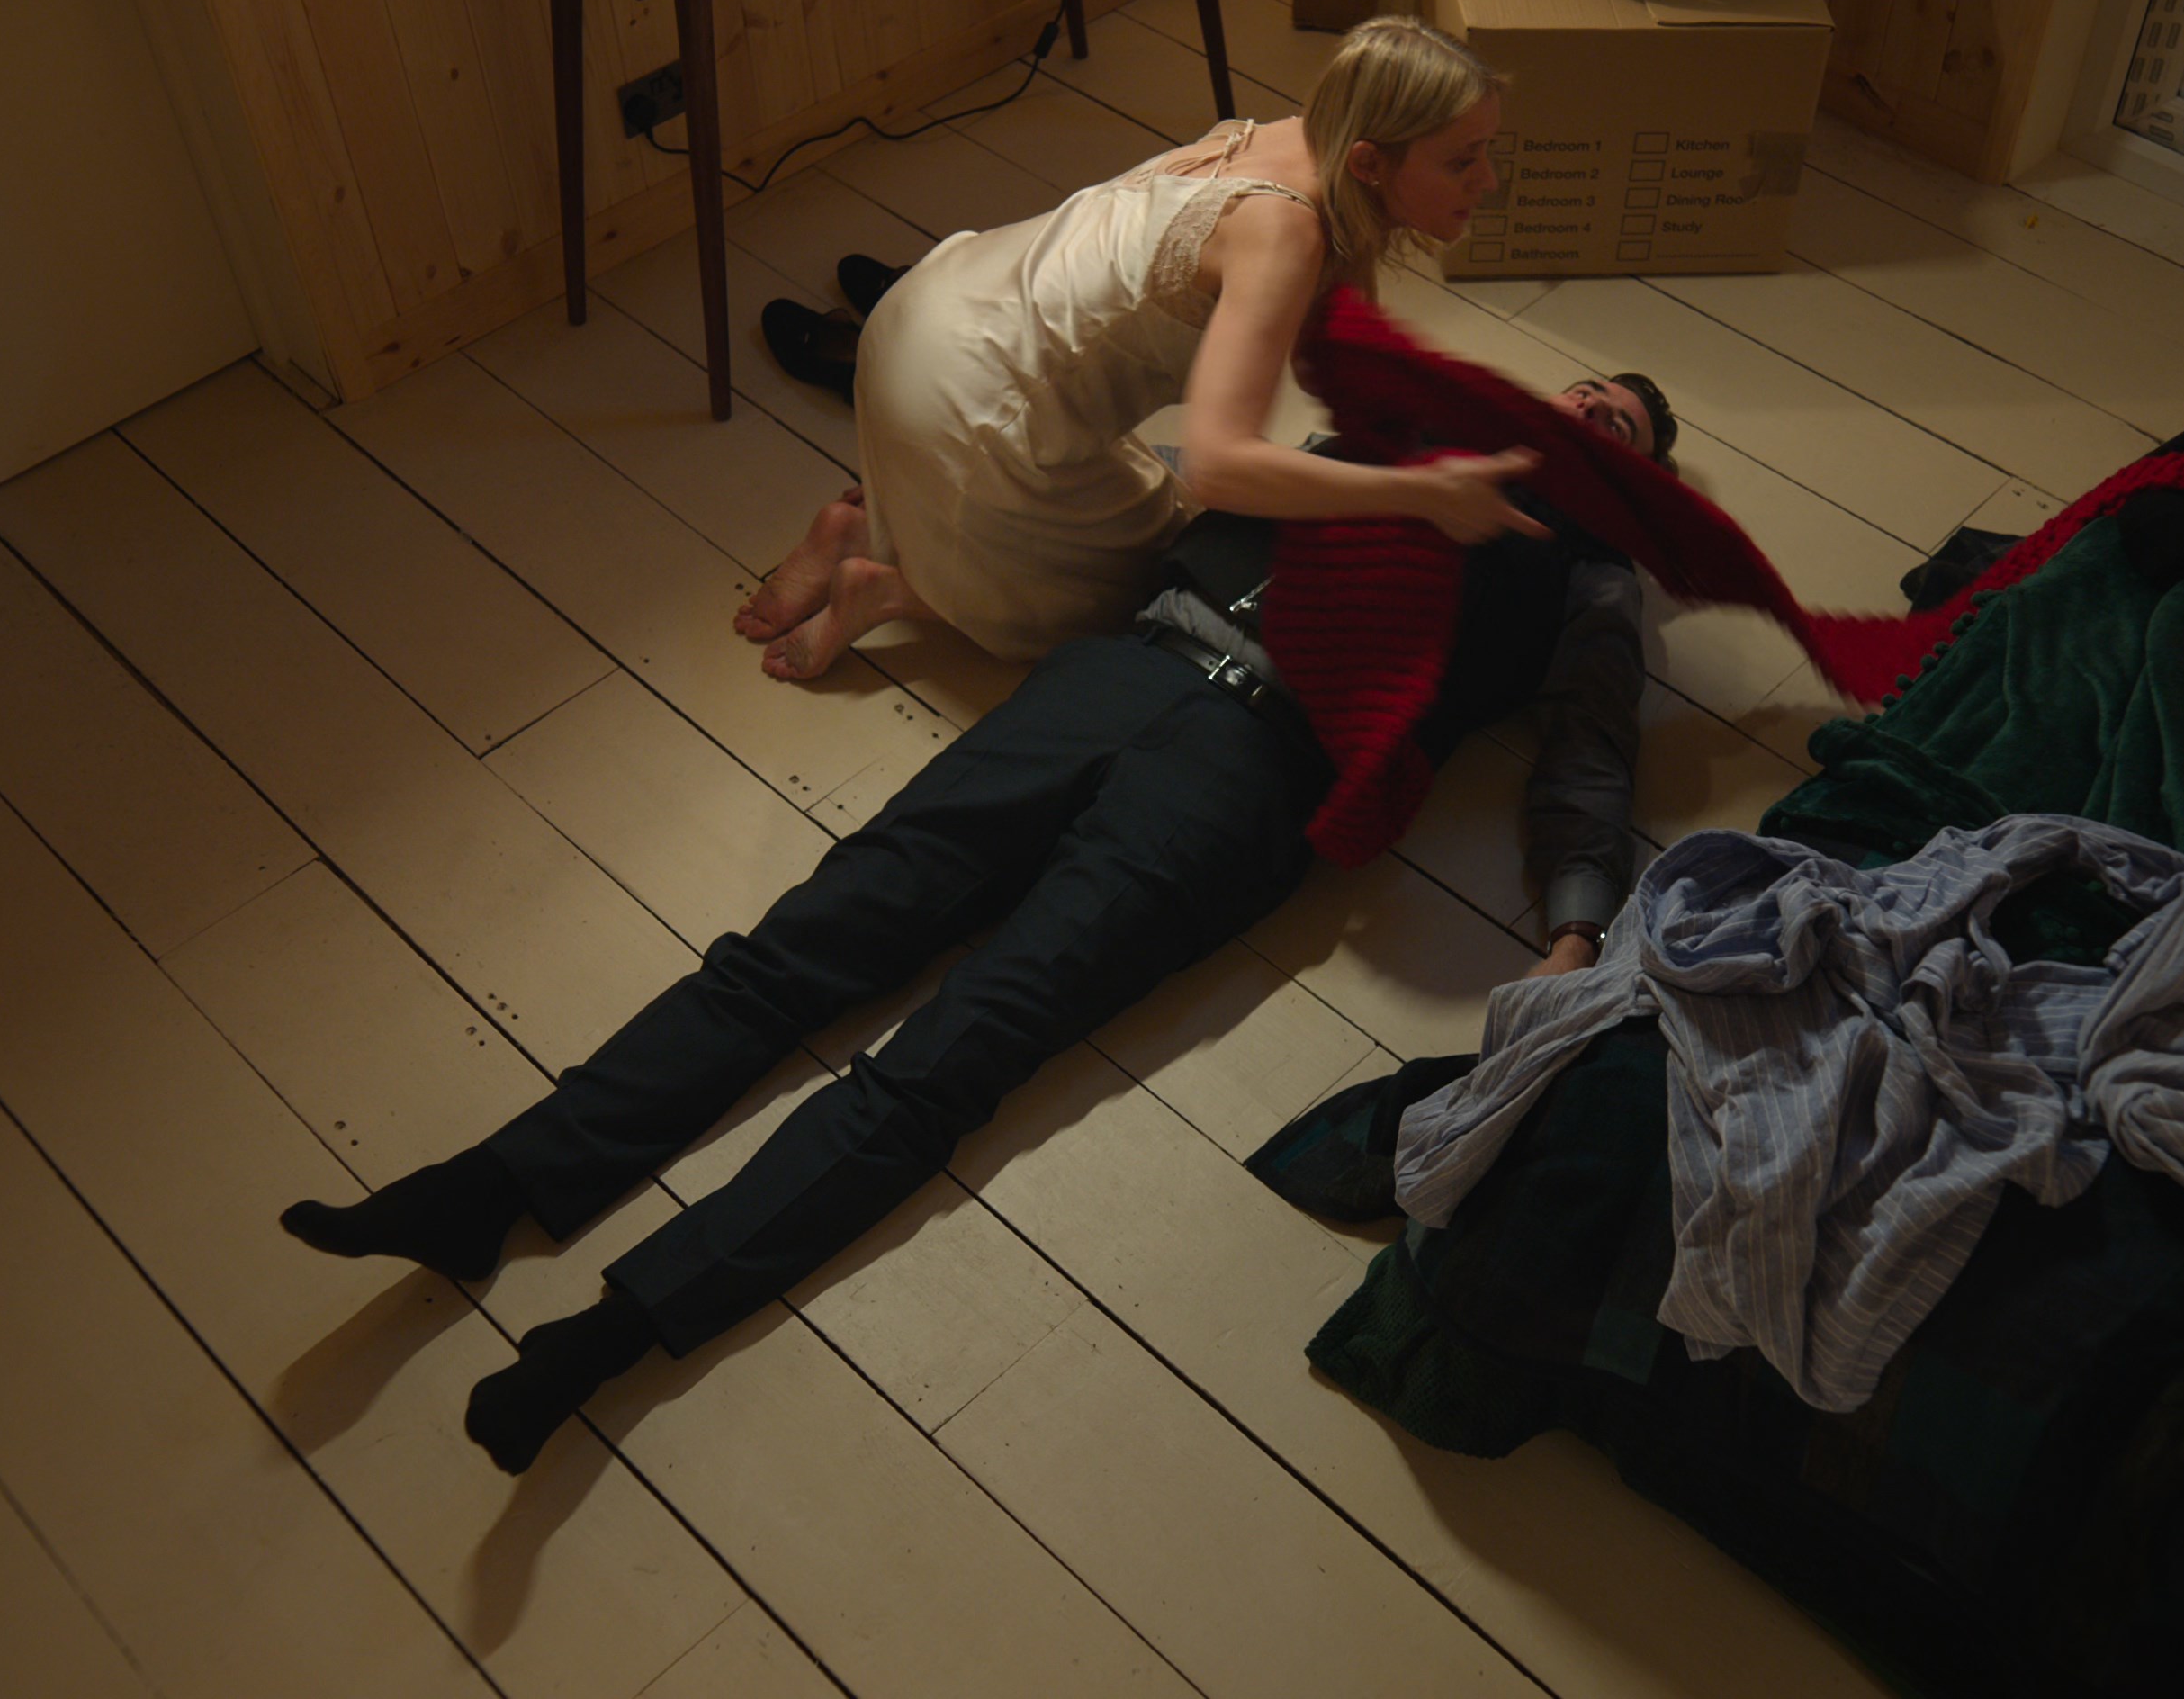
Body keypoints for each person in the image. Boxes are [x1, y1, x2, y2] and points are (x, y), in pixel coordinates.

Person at [280, 375, 1677, 1473]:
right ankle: (492, 1189)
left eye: (1622, 427)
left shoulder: (1587, 581)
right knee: (808, 942)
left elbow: (1590, 761)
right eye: (1580, 392)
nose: (1588, 409)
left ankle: (613, 1334)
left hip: (1255, 775)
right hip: (1122, 673)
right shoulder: (1387, 434)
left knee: (960, 1050)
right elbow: (1183, 477)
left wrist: (1572, 935)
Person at [736, 15, 1544, 681]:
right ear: (1370, 161)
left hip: (931, 306)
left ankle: (859, 526)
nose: (1489, 181)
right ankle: (885, 587)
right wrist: (1421, 495)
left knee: (1162, 507)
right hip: (969, 402)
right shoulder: (1284, 234)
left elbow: (1339, 354)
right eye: (1462, 160)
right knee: (1144, 591)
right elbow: (1221, 465)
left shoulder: (1304, 140)